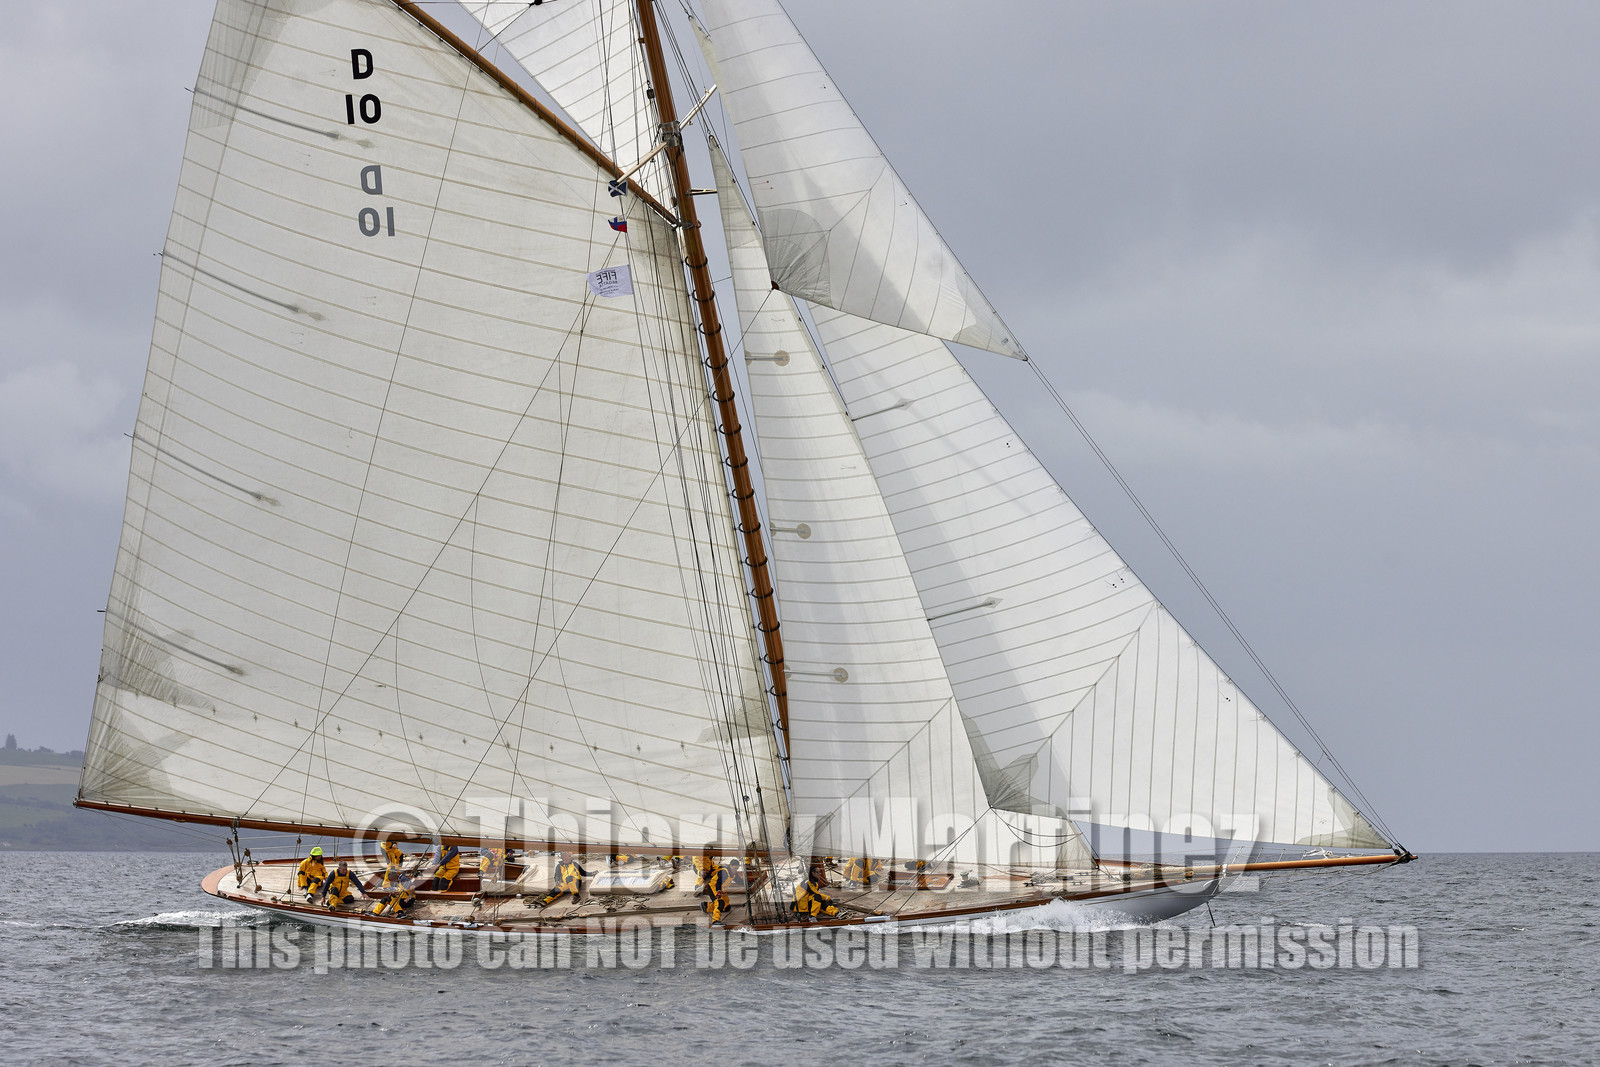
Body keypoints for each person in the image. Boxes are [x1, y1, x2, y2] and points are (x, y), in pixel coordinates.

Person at [700, 858, 733, 924]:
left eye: (737, 868)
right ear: (730, 866)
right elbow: (718, 882)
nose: (735, 870)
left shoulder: (732, 873)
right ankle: (715, 920)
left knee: (726, 907)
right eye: (734, 868)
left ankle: (707, 906)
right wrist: (718, 891)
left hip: (721, 889)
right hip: (714, 888)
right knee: (720, 902)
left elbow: (739, 880)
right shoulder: (724, 872)